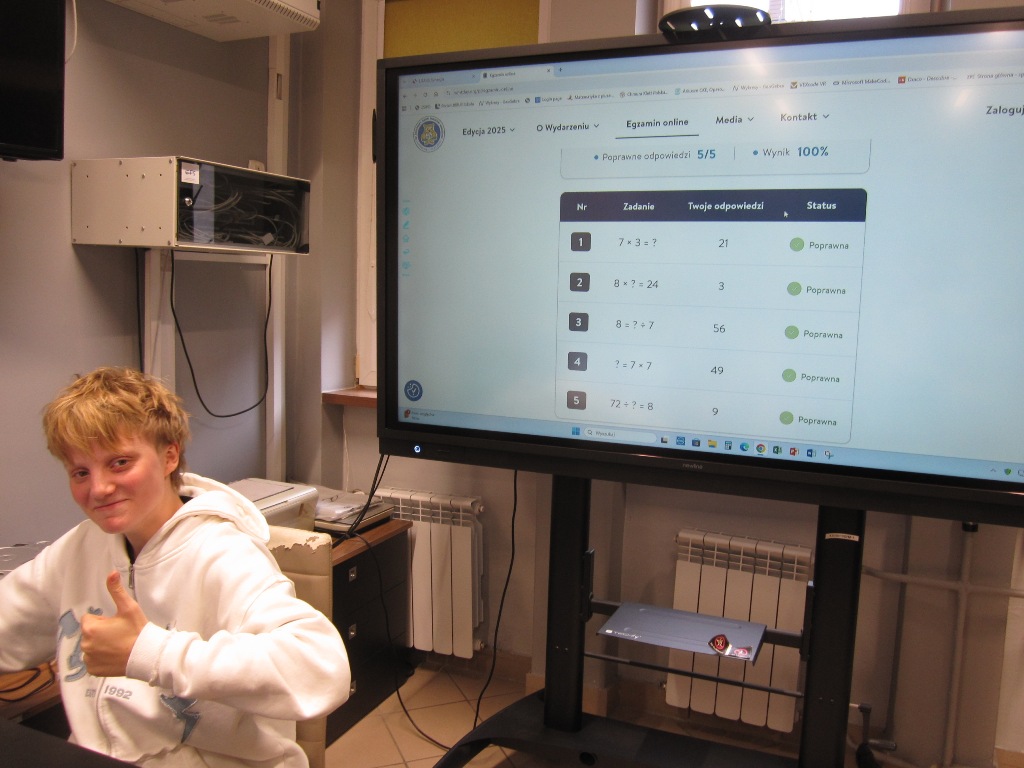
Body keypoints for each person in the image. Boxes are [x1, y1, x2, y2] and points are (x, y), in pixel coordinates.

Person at [0, 367, 350, 767]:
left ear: (169, 455)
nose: (98, 489)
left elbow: (321, 669)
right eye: (81, 472)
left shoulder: (223, 553)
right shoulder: (80, 549)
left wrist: (150, 652)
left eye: (119, 463)